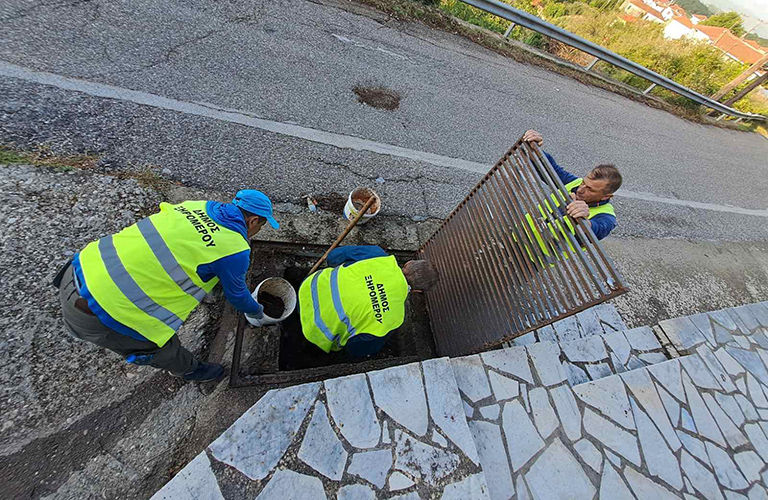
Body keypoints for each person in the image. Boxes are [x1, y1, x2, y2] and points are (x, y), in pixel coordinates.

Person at [54, 190, 279, 382]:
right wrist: (258, 312)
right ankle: (190, 371)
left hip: (78, 268)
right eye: (262, 225)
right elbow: (238, 296)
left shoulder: (196, 206)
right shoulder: (235, 250)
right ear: (253, 221)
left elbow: (188, 246)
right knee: (163, 349)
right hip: (97, 314)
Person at [297, 245, 439, 358]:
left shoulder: (376, 255)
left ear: (409, 263)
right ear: (417, 291)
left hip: (306, 290)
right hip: (315, 333)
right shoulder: (395, 318)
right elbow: (357, 349)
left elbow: (334, 256)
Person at [522, 129, 621, 240]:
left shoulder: (607, 217)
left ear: (606, 196)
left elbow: (598, 230)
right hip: (515, 236)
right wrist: (534, 147)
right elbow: (551, 170)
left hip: (536, 255)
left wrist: (585, 220)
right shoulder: (575, 183)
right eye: (584, 182)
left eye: (591, 189)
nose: (580, 190)